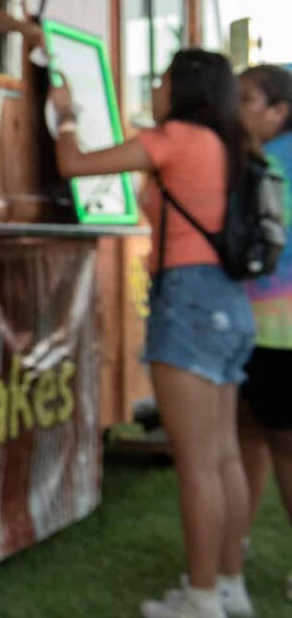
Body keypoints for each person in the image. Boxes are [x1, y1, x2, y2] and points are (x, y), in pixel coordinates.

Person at [48, 49, 258, 618]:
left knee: (196, 464)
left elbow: (74, 164)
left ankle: (200, 598)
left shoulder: (178, 136)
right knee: (223, 456)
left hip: (187, 303)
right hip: (229, 304)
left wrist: (65, 114)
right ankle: (229, 587)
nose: (157, 89)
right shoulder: (229, 144)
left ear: (184, 89)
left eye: (163, 80)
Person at [236, 64, 292, 602]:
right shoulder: (248, 158)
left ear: (278, 111)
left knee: (284, 449)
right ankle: (236, 542)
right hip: (245, 328)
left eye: (246, 98)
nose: (236, 106)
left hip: (281, 333)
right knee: (247, 437)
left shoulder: (274, 162)